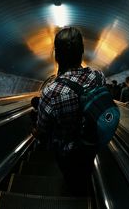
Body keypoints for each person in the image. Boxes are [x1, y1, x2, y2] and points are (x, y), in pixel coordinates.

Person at [36, 27, 106, 195]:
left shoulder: (51, 90)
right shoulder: (98, 76)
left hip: (68, 152)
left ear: (56, 54)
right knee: (86, 171)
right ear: (82, 50)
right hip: (92, 143)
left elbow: (42, 129)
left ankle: (74, 191)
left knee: (71, 178)